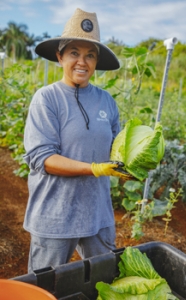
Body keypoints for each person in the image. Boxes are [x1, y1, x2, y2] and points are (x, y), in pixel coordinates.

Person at [23, 8, 132, 273]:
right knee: (44, 286)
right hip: (55, 215)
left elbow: (117, 148)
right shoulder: (47, 99)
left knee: (104, 282)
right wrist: (93, 168)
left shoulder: (106, 101)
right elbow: (43, 158)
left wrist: (135, 159)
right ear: (60, 57)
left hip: (98, 214)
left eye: (90, 55)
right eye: (74, 53)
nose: (82, 62)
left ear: (96, 62)